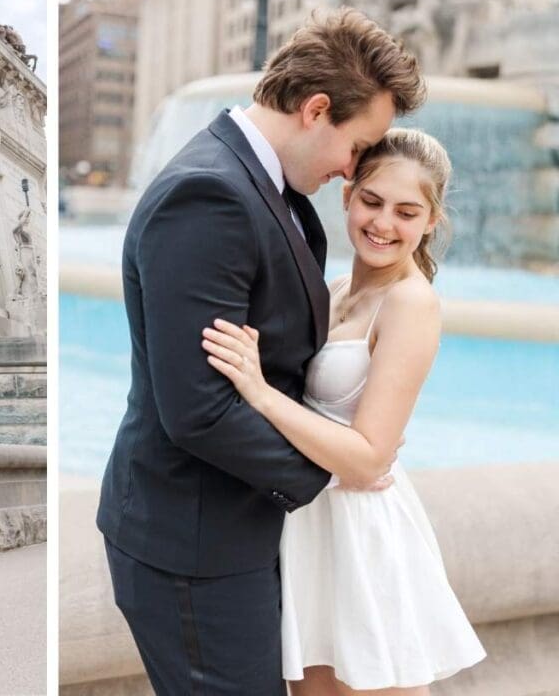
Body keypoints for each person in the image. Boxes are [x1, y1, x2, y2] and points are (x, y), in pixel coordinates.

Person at [96, 7, 427, 695]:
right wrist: (336, 477)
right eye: (357, 145)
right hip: (192, 546)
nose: (351, 170)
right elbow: (198, 410)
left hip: (237, 533)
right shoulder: (210, 193)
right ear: (315, 109)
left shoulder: (268, 190)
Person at [202, 129, 485, 693]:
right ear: (348, 197)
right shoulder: (331, 289)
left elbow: (367, 459)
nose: (383, 224)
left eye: (407, 212)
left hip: (361, 532)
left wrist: (260, 393)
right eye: (373, 202)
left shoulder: (411, 302)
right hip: (309, 523)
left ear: (431, 220)